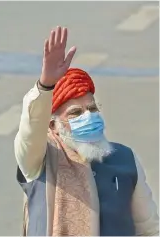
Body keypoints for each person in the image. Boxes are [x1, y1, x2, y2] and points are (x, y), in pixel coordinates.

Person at [14, 26, 159, 236]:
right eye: (75, 113)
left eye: (92, 109)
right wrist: (45, 86)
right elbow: (30, 130)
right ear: (53, 125)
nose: (88, 116)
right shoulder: (39, 161)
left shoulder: (125, 159)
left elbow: (149, 229)